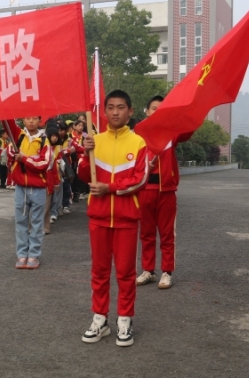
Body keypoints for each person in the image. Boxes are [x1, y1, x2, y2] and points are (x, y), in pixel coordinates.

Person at [78, 90, 148, 347]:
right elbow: (85, 175)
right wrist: (86, 154)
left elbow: (139, 180)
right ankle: (100, 319)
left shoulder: (139, 143)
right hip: (98, 217)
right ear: (104, 111)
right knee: (99, 270)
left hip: (126, 218)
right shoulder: (95, 141)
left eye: (121, 107)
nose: (115, 112)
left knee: (126, 273)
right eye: (110, 107)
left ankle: (125, 320)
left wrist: (111, 187)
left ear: (130, 111)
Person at [136, 96, 193, 290]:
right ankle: (148, 270)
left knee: (167, 234)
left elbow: (187, 131)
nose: (156, 112)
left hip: (166, 190)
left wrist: (191, 111)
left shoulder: (171, 132)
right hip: (145, 190)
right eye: (153, 108)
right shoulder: (138, 133)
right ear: (146, 111)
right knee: (146, 233)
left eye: (161, 109)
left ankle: (167, 271)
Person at [2, 117, 52, 270]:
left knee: (37, 224)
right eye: (27, 118)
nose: (31, 121)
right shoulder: (18, 135)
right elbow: (7, 122)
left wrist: (24, 159)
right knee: (20, 222)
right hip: (20, 188)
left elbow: (44, 164)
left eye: (34, 118)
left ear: (40, 121)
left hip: (38, 189)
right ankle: (22, 254)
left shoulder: (45, 141)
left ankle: (34, 255)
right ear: (23, 120)